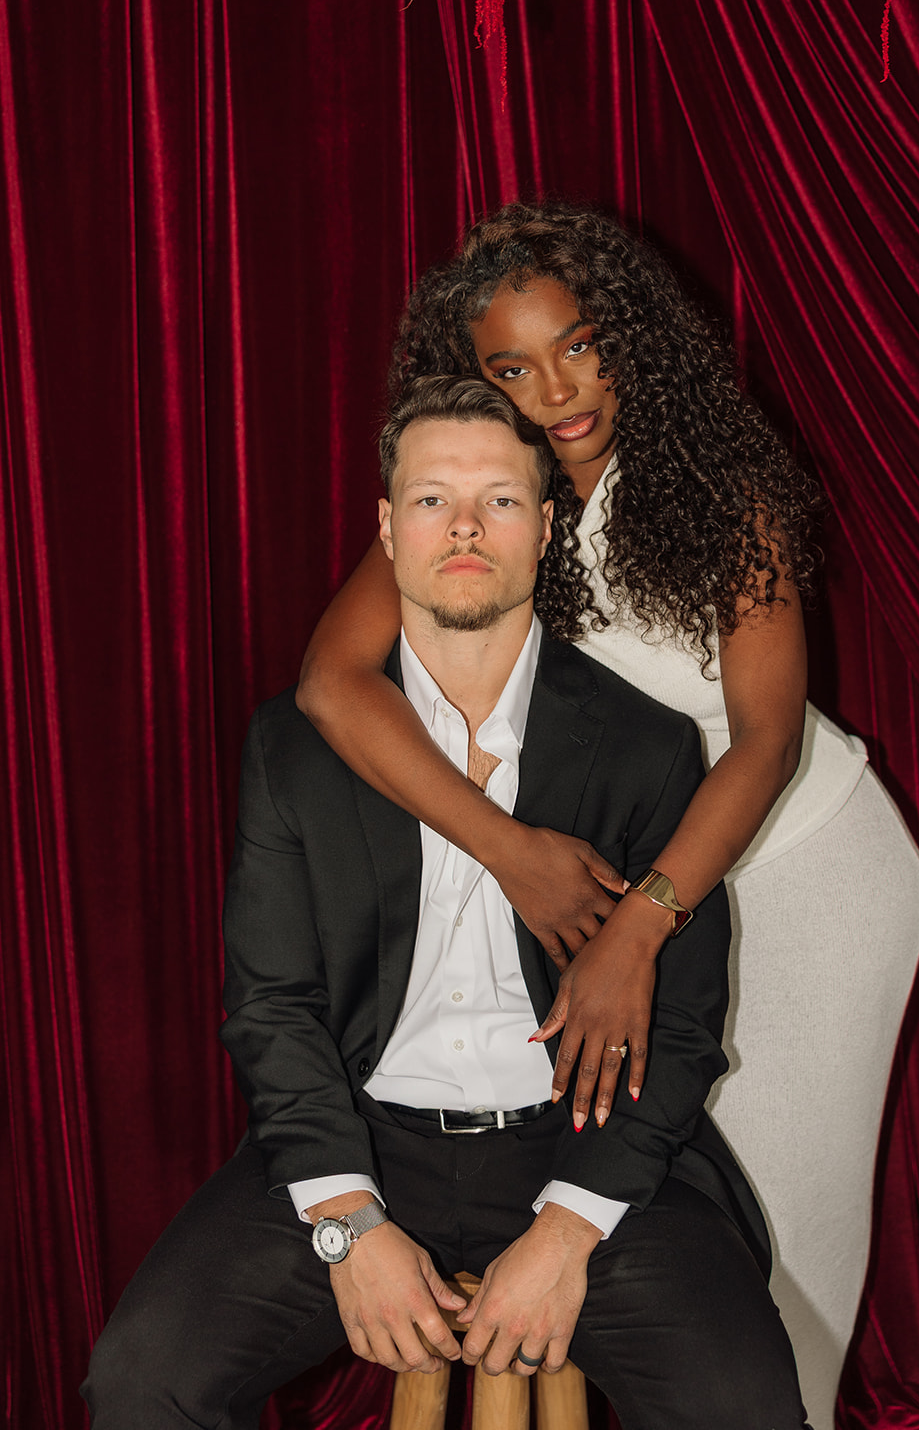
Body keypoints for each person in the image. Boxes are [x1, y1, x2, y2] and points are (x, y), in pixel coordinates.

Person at [296, 203, 919, 1430]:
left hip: (802, 881)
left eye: (582, 344)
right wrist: (516, 855)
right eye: (512, 368)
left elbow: (764, 741)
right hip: (601, 899)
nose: (561, 388)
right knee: (650, 1246)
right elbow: (332, 683)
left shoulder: (715, 486)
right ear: (468, 382)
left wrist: (634, 931)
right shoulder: (482, 495)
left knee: (779, 1264)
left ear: (628, 335)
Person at [83, 376, 810, 1430]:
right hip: (363, 1144)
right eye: (430, 498)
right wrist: (347, 1226)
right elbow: (271, 1004)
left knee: (742, 1405)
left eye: (499, 500)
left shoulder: (647, 750)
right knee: (141, 1381)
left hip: (584, 1149)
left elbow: (682, 1030)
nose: (463, 525)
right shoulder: (293, 748)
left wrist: (566, 1231)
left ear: (545, 526)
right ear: (385, 525)